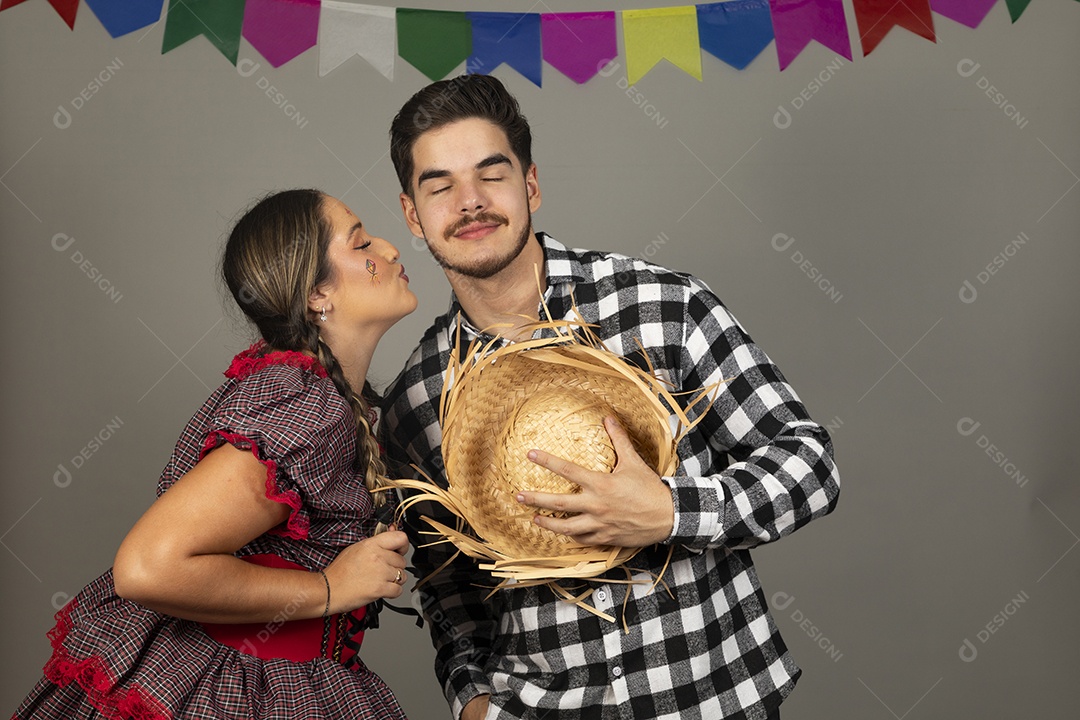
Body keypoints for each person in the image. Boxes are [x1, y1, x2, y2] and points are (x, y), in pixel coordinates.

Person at [382, 75, 841, 720]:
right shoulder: (418, 400)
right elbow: (450, 584)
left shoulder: (659, 305)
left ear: (531, 184)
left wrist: (671, 512)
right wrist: (473, 700)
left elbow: (810, 466)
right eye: (441, 186)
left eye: (492, 174)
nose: (471, 202)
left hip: (711, 701)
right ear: (412, 214)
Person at [13, 189, 417, 720]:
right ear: (317, 294)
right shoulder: (306, 402)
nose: (389, 249)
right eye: (361, 241)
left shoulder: (330, 397)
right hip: (231, 689)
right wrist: (327, 587)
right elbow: (148, 567)